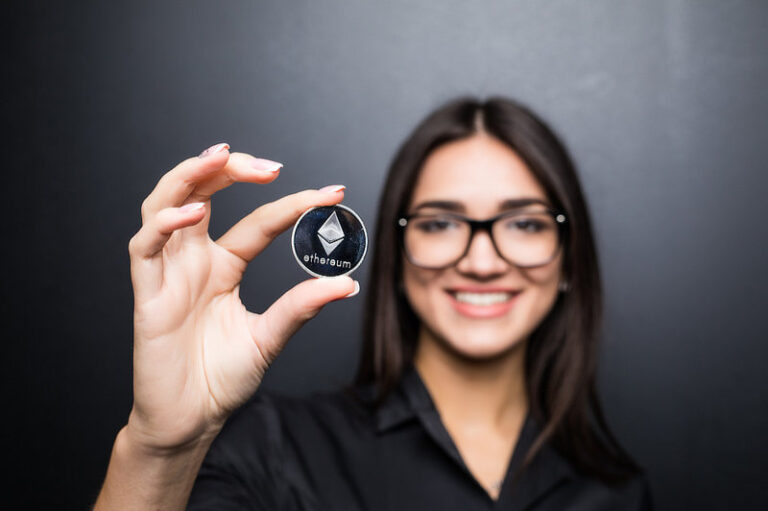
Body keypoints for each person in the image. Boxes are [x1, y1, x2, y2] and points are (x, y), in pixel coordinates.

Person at [94, 97, 653, 510]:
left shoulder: (617, 494)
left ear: (567, 260)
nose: (482, 262)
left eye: (526, 223)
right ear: (395, 256)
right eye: (439, 223)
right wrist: (162, 448)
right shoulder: (274, 453)